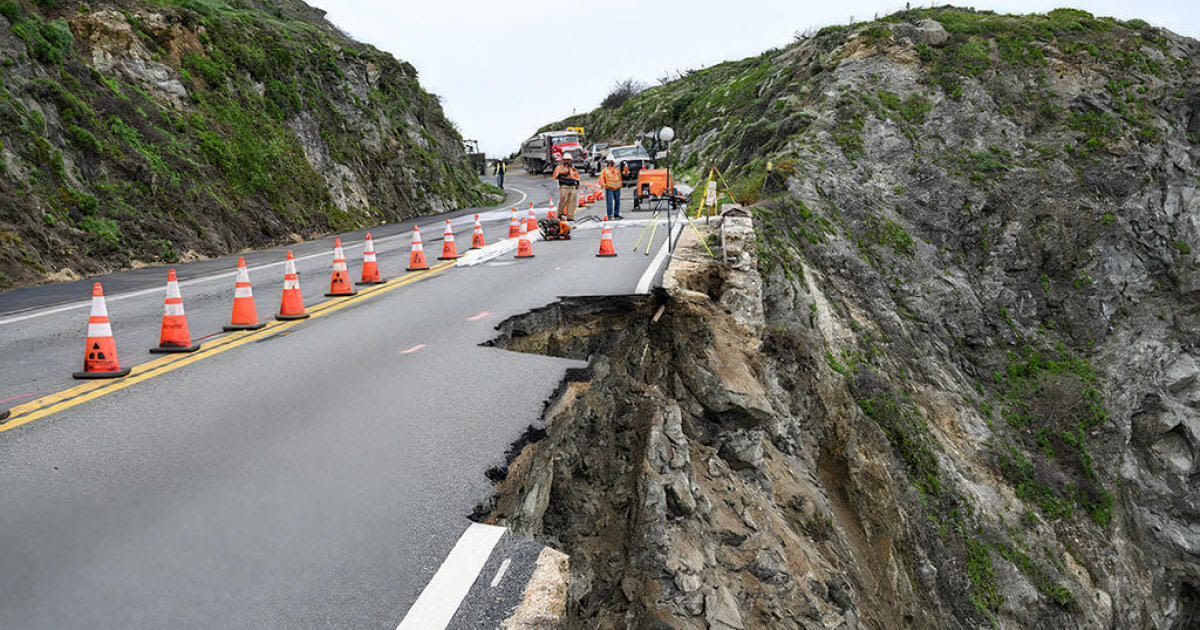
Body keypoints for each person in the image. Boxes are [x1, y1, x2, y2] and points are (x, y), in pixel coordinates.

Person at [551, 153, 580, 220]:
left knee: (572, 201)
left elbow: (577, 177)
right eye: (566, 160)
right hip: (564, 186)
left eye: (569, 160)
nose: (567, 161)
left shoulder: (573, 168)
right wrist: (563, 176)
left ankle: (570, 216)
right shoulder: (559, 168)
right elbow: (555, 176)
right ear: (563, 160)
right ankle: (559, 213)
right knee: (563, 199)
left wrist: (577, 183)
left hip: (572, 186)